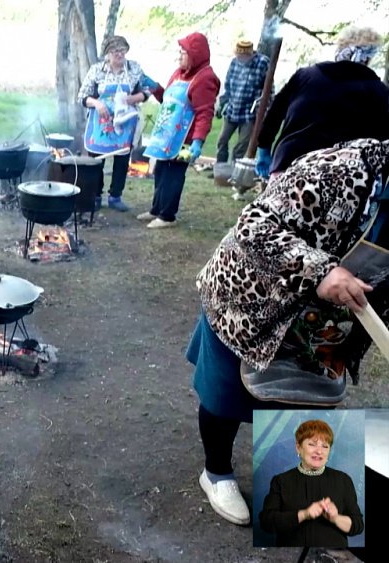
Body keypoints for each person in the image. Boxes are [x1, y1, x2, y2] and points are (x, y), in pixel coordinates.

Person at [188, 138, 389, 527]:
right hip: (253, 297)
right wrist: (319, 270)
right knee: (225, 393)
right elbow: (255, 225)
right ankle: (216, 473)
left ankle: (296, 487)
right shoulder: (341, 170)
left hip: (323, 320)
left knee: (306, 402)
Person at [256, 27, 389, 178]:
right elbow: (382, 140)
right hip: (343, 177)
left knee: (277, 202)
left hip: (289, 165)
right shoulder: (380, 92)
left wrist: (264, 150)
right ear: (368, 57)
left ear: (340, 49)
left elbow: (274, 114)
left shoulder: (306, 76)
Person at [140, 32, 220, 228]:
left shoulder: (205, 78)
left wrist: (198, 142)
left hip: (184, 138)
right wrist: (154, 87)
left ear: (195, 54)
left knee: (173, 175)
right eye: (180, 52)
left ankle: (167, 216)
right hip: (166, 135)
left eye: (183, 52)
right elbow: (167, 99)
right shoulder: (178, 73)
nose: (179, 56)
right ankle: (156, 209)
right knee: (160, 171)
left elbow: (204, 113)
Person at [259, 419, 364, 547]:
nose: (319, 451)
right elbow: (266, 522)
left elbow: (358, 526)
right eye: (312, 444)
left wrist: (335, 518)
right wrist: (304, 514)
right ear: (298, 447)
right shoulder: (281, 481)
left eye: (325, 446)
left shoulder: (343, 480)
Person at [77, 35, 152, 212]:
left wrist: (133, 98)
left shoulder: (134, 68)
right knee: (97, 159)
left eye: (122, 50)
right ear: (107, 54)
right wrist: (97, 103)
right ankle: (95, 195)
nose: (119, 54)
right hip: (101, 122)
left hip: (125, 121)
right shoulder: (97, 70)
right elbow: (82, 97)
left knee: (122, 158)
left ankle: (115, 196)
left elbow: (148, 90)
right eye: (115, 51)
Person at [215, 40, 270, 164]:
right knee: (222, 140)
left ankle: (234, 171)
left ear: (250, 54)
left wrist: (263, 109)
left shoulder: (262, 63)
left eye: (243, 56)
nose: (240, 58)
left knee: (241, 146)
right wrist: (221, 103)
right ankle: (221, 168)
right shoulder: (234, 62)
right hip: (232, 109)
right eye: (238, 56)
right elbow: (228, 85)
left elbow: (268, 89)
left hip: (249, 112)